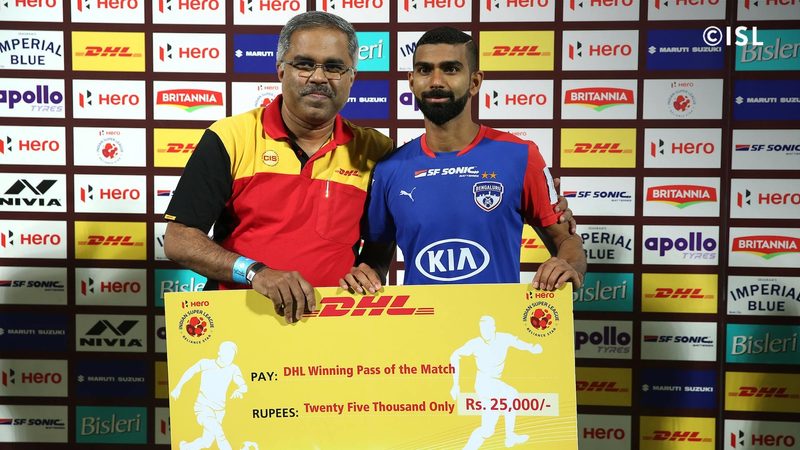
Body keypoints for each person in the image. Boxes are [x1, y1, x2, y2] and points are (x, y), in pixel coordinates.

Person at [164, 12, 576, 324]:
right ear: (281, 70)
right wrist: (256, 273)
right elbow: (179, 240)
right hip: (240, 321)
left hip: (338, 331)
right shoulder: (231, 137)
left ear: (351, 78)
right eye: (305, 64)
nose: (318, 77)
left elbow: (377, 251)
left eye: (334, 67)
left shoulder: (376, 152)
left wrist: (369, 273)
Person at [357, 27, 586, 289]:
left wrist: (567, 264)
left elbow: (567, 240)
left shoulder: (521, 156)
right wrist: (364, 276)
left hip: (497, 316)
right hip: (422, 317)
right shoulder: (389, 169)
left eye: (451, 69)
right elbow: (375, 260)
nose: (436, 81)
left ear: (475, 82)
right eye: (424, 70)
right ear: (411, 81)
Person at [450, 316, 543, 449]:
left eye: (487, 329)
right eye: (482, 329)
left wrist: (532, 348)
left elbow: (519, 343)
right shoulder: (475, 344)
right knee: (511, 394)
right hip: (483, 383)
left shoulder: (504, 339)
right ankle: (510, 436)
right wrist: (455, 384)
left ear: (493, 328)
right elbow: (454, 355)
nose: (484, 332)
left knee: (487, 431)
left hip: (494, 384)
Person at [170, 341, 248, 450]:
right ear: (219, 352)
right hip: (203, 407)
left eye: (232, 355)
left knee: (206, 442)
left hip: (220, 411)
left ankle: (185, 447)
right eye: (227, 354)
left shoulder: (233, 369)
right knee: (220, 434)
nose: (230, 358)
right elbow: (190, 372)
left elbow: (244, 386)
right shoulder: (206, 363)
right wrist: (178, 387)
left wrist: (239, 391)